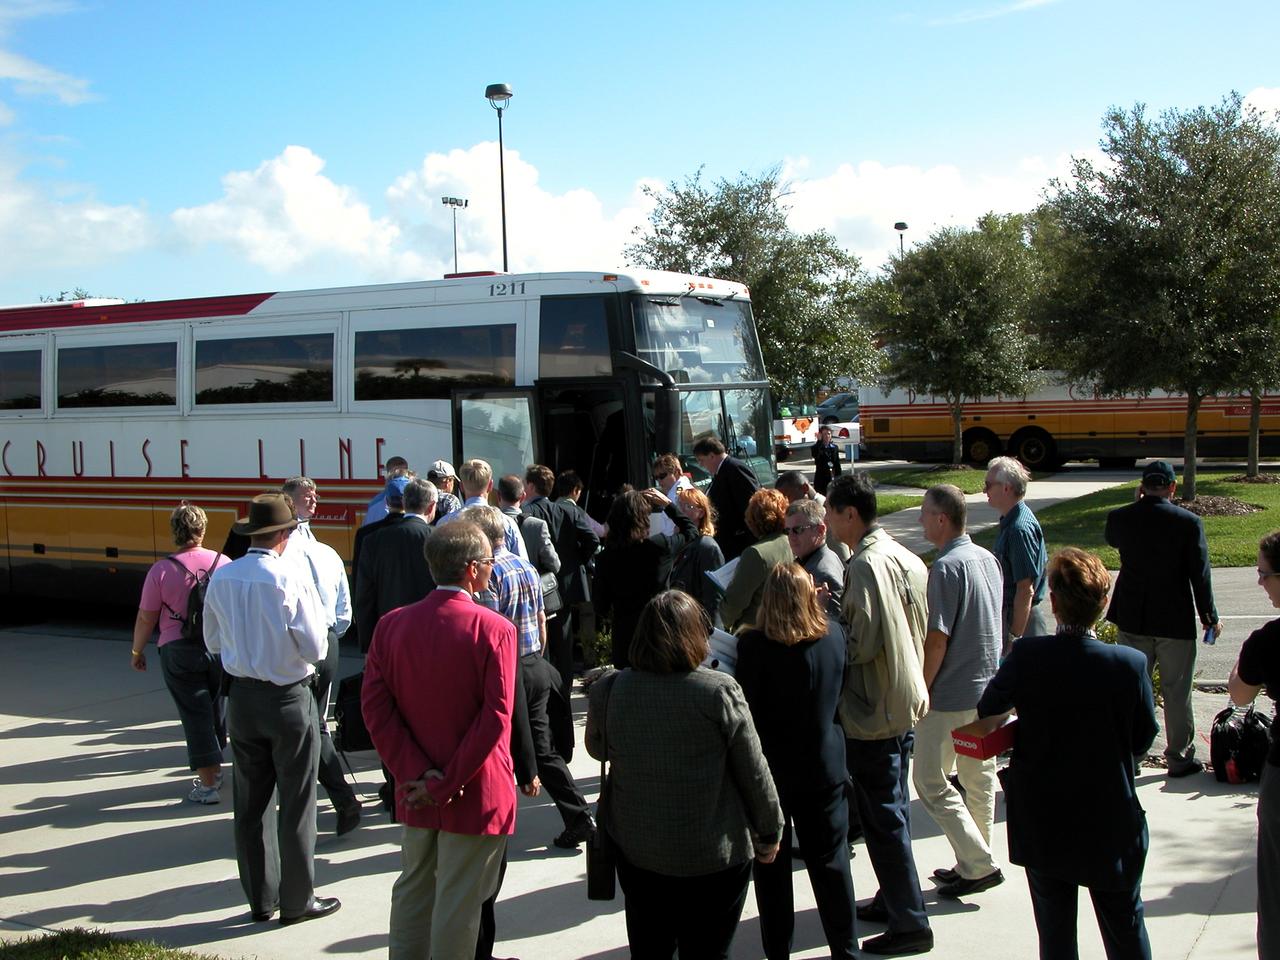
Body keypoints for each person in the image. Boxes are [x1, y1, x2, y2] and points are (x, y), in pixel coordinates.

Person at [978, 548, 1157, 960]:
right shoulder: (1128, 664)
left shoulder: (1028, 657)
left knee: (1056, 937)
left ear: (1053, 603)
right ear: (1103, 603)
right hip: (1108, 817)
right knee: (1125, 928)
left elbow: (989, 707)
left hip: (1045, 819)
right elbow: (1143, 736)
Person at [585, 590, 784, 959]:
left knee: (649, 947)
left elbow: (598, 749)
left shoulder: (610, 689)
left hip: (638, 850)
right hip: (714, 856)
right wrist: (770, 830)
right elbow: (754, 771)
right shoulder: (719, 691)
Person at [361, 521, 517, 959]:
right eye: (488, 563)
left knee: (413, 891)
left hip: (416, 790)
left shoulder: (391, 625)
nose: (491, 570)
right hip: (473, 789)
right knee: (458, 903)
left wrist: (417, 774)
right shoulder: (495, 629)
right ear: (471, 570)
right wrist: (444, 783)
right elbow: (496, 718)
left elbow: (375, 709)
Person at [202, 493, 339, 926]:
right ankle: (298, 900)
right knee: (297, 802)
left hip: (242, 697)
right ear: (284, 535)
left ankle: (261, 898)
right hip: (286, 696)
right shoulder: (290, 576)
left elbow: (212, 642)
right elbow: (315, 646)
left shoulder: (223, 577)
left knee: (251, 802)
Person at [824, 472, 933, 956]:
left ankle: (910, 922)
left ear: (850, 514)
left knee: (883, 817)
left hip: (876, 706)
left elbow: (862, 643)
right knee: (894, 811)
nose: (826, 520)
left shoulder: (866, 564)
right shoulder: (903, 554)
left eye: (830, 512)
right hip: (905, 696)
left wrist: (828, 628)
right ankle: (895, 899)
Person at [736, 563, 857, 960]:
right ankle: (845, 948)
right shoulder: (834, 638)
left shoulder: (752, 648)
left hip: (771, 773)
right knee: (832, 864)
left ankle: (778, 953)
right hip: (823, 765)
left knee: (771, 869)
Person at [462, 505, 595, 850]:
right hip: (534, 659)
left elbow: (491, 630)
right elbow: (540, 617)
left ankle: (576, 816)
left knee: (525, 746)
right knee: (538, 745)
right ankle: (575, 815)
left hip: (510, 668)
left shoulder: (491, 576)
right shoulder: (526, 567)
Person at [914, 484, 1004, 898]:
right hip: (987, 693)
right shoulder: (987, 559)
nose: (919, 521)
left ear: (942, 520)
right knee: (976, 778)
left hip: (950, 696)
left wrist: (923, 688)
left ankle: (979, 862)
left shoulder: (946, 568)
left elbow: (937, 638)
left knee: (930, 780)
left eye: (924, 513)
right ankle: (973, 862)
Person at [1106, 459, 1221, 777]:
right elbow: (1200, 574)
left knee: (1132, 690)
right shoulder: (1188, 522)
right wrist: (1208, 616)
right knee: (1176, 690)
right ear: (1172, 487)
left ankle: (1133, 754)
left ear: (1141, 488)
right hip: (1174, 618)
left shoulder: (1120, 518)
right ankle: (1179, 757)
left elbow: (1112, 540)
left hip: (1132, 616)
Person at [130, 502, 231, 804]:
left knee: (194, 714)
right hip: (219, 648)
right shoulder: (223, 563)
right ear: (203, 529)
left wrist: (137, 650)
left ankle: (208, 783)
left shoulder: (161, 570)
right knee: (216, 709)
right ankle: (215, 765)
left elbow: (147, 617)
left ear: (175, 531)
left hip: (178, 649)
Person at [354, 476, 438, 814]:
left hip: (388, 643)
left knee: (391, 720)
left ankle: (394, 788)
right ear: (431, 507)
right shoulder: (437, 539)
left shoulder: (374, 541)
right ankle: (427, 782)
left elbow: (365, 598)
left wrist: (368, 646)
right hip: (432, 644)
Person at [281, 477, 359, 836]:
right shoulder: (322, 551)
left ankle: (335, 802)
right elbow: (344, 614)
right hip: (325, 639)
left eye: (315, 497)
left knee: (308, 726)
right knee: (313, 724)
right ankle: (339, 801)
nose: (313, 501)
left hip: (303, 644)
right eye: (306, 497)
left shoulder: (290, 555)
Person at [523, 462, 599, 755]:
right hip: (564, 589)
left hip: (536, 589)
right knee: (564, 647)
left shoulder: (528, 514)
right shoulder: (567, 510)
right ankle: (562, 698)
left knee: (539, 647)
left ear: (531, 486)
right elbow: (591, 539)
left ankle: (541, 703)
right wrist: (573, 564)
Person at [1228, 530, 1280, 959]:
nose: (1260, 583)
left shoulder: (1268, 641)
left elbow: (1240, 695)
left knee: (1277, 888)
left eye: (1264, 574)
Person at [593, 488, 697, 668]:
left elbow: (600, 606)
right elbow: (691, 530)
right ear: (644, 519)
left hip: (626, 638)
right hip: (660, 631)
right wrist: (667, 504)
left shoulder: (605, 559)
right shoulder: (659, 546)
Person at [985, 456, 1051, 651]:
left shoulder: (1018, 530)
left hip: (1023, 622)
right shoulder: (1014, 521)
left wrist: (1014, 638)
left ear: (1006, 488)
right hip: (1021, 618)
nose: (984, 490)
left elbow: (1025, 590)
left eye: (988, 485)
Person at [720, 488, 794, 632]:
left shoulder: (755, 554)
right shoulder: (794, 542)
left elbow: (734, 604)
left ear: (751, 520)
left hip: (758, 633)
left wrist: (725, 617)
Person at [437, 459, 528, 560]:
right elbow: (522, 563)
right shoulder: (507, 523)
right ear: (490, 486)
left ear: (461, 487)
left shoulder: (444, 523)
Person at [694, 435, 760, 561]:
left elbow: (751, 504)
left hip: (739, 543)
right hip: (728, 542)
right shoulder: (721, 471)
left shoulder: (735, 468)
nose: (701, 465)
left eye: (701, 460)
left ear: (712, 456)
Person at [669, 486, 726, 625]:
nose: (680, 511)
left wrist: (713, 636)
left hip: (697, 626)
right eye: (679, 505)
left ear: (700, 513)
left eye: (687, 506)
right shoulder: (679, 542)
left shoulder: (707, 547)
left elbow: (714, 599)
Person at [784, 498, 844, 619]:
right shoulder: (815, 558)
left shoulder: (822, 575)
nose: (791, 537)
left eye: (798, 530)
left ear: (820, 530)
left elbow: (834, 628)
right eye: (787, 531)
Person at [776, 469, 851, 562]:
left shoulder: (827, 514)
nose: (786, 503)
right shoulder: (798, 514)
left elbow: (842, 559)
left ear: (804, 489)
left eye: (788, 497)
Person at [649, 453, 693, 537]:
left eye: (662, 476)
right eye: (656, 478)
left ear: (676, 472)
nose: (659, 481)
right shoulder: (675, 490)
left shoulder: (680, 491)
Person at [363, 456, 410, 526]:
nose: (401, 477)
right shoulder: (375, 504)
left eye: (403, 472)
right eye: (396, 472)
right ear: (389, 474)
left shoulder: (414, 501)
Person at [812, 424, 844, 496]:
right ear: (821, 435)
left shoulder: (834, 447)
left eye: (829, 434)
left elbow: (837, 463)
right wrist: (819, 442)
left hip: (831, 476)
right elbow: (816, 455)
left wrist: (839, 477)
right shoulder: (816, 447)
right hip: (821, 477)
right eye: (824, 434)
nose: (827, 436)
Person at [427, 459, 462, 524]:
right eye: (453, 480)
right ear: (448, 481)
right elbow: (454, 525)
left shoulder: (420, 496)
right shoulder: (450, 499)